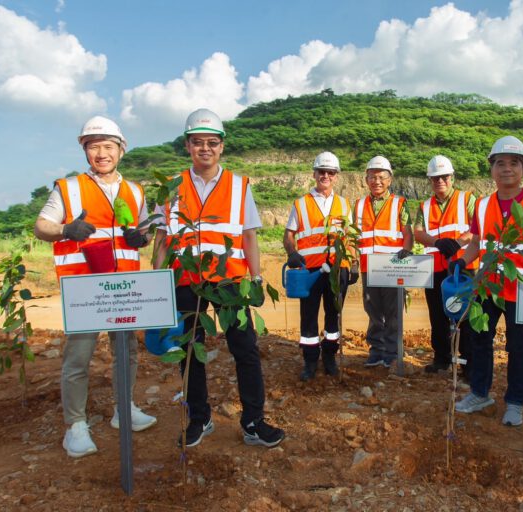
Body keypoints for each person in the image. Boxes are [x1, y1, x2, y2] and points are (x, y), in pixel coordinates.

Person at [152, 108, 284, 448]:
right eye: (198, 143)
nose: (205, 149)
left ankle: (253, 421)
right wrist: (157, 281)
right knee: (190, 349)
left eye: (212, 142)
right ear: (187, 146)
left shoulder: (240, 187)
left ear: (222, 146)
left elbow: (250, 236)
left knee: (245, 350)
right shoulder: (171, 188)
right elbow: (162, 239)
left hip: (230, 282)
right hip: (186, 282)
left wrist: (254, 279)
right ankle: (199, 418)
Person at [34, 116, 156, 458]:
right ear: (85, 151)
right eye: (93, 147)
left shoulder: (134, 191)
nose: (101, 153)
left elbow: (144, 232)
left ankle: (124, 410)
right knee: (79, 357)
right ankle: (75, 425)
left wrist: (140, 238)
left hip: (125, 286)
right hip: (85, 289)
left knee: (127, 352)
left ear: (121, 150)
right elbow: (41, 225)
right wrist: (64, 230)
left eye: (107, 146)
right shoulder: (69, 188)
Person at [449, 136, 523, 427]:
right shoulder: (482, 205)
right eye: (500, 164)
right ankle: (480, 392)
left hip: (522, 287)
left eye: (513, 163)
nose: (506, 169)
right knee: (479, 338)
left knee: (517, 346)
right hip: (488, 285)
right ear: (492, 169)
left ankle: (515, 402)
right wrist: (461, 258)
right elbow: (476, 244)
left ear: (522, 168)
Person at [283, 151, 357, 381]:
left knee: (333, 316)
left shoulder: (344, 205)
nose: (325, 175)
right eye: (322, 171)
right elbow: (288, 234)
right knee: (308, 316)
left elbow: (350, 237)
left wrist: (353, 263)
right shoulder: (301, 204)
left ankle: (329, 357)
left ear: (336, 176)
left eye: (330, 172)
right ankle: (310, 360)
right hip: (310, 271)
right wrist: (292, 252)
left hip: (337, 270)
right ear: (314, 174)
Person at [413, 155, 476, 377]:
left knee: (464, 315)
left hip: (463, 265)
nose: (440, 181)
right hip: (435, 267)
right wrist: (437, 242)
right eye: (435, 178)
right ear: (430, 180)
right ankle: (442, 358)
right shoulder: (425, 206)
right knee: (437, 315)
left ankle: (468, 364)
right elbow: (418, 232)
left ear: (452, 177)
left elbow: (477, 227)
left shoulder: (467, 199)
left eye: (444, 177)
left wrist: (458, 243)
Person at [354, 156, 413, 368]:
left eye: (381, 177)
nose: (376, 181)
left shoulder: (399, 203)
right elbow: (354, 237)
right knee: (373, 311)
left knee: (393, 312)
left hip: (392, 267)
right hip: (368, 267)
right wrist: (353, 261)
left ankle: (392, 353)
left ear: (389, 180)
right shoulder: (359, 205)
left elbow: (408, 233)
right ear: (366, 179)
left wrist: (406, 252)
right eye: (372, 177)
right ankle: (376, 350)